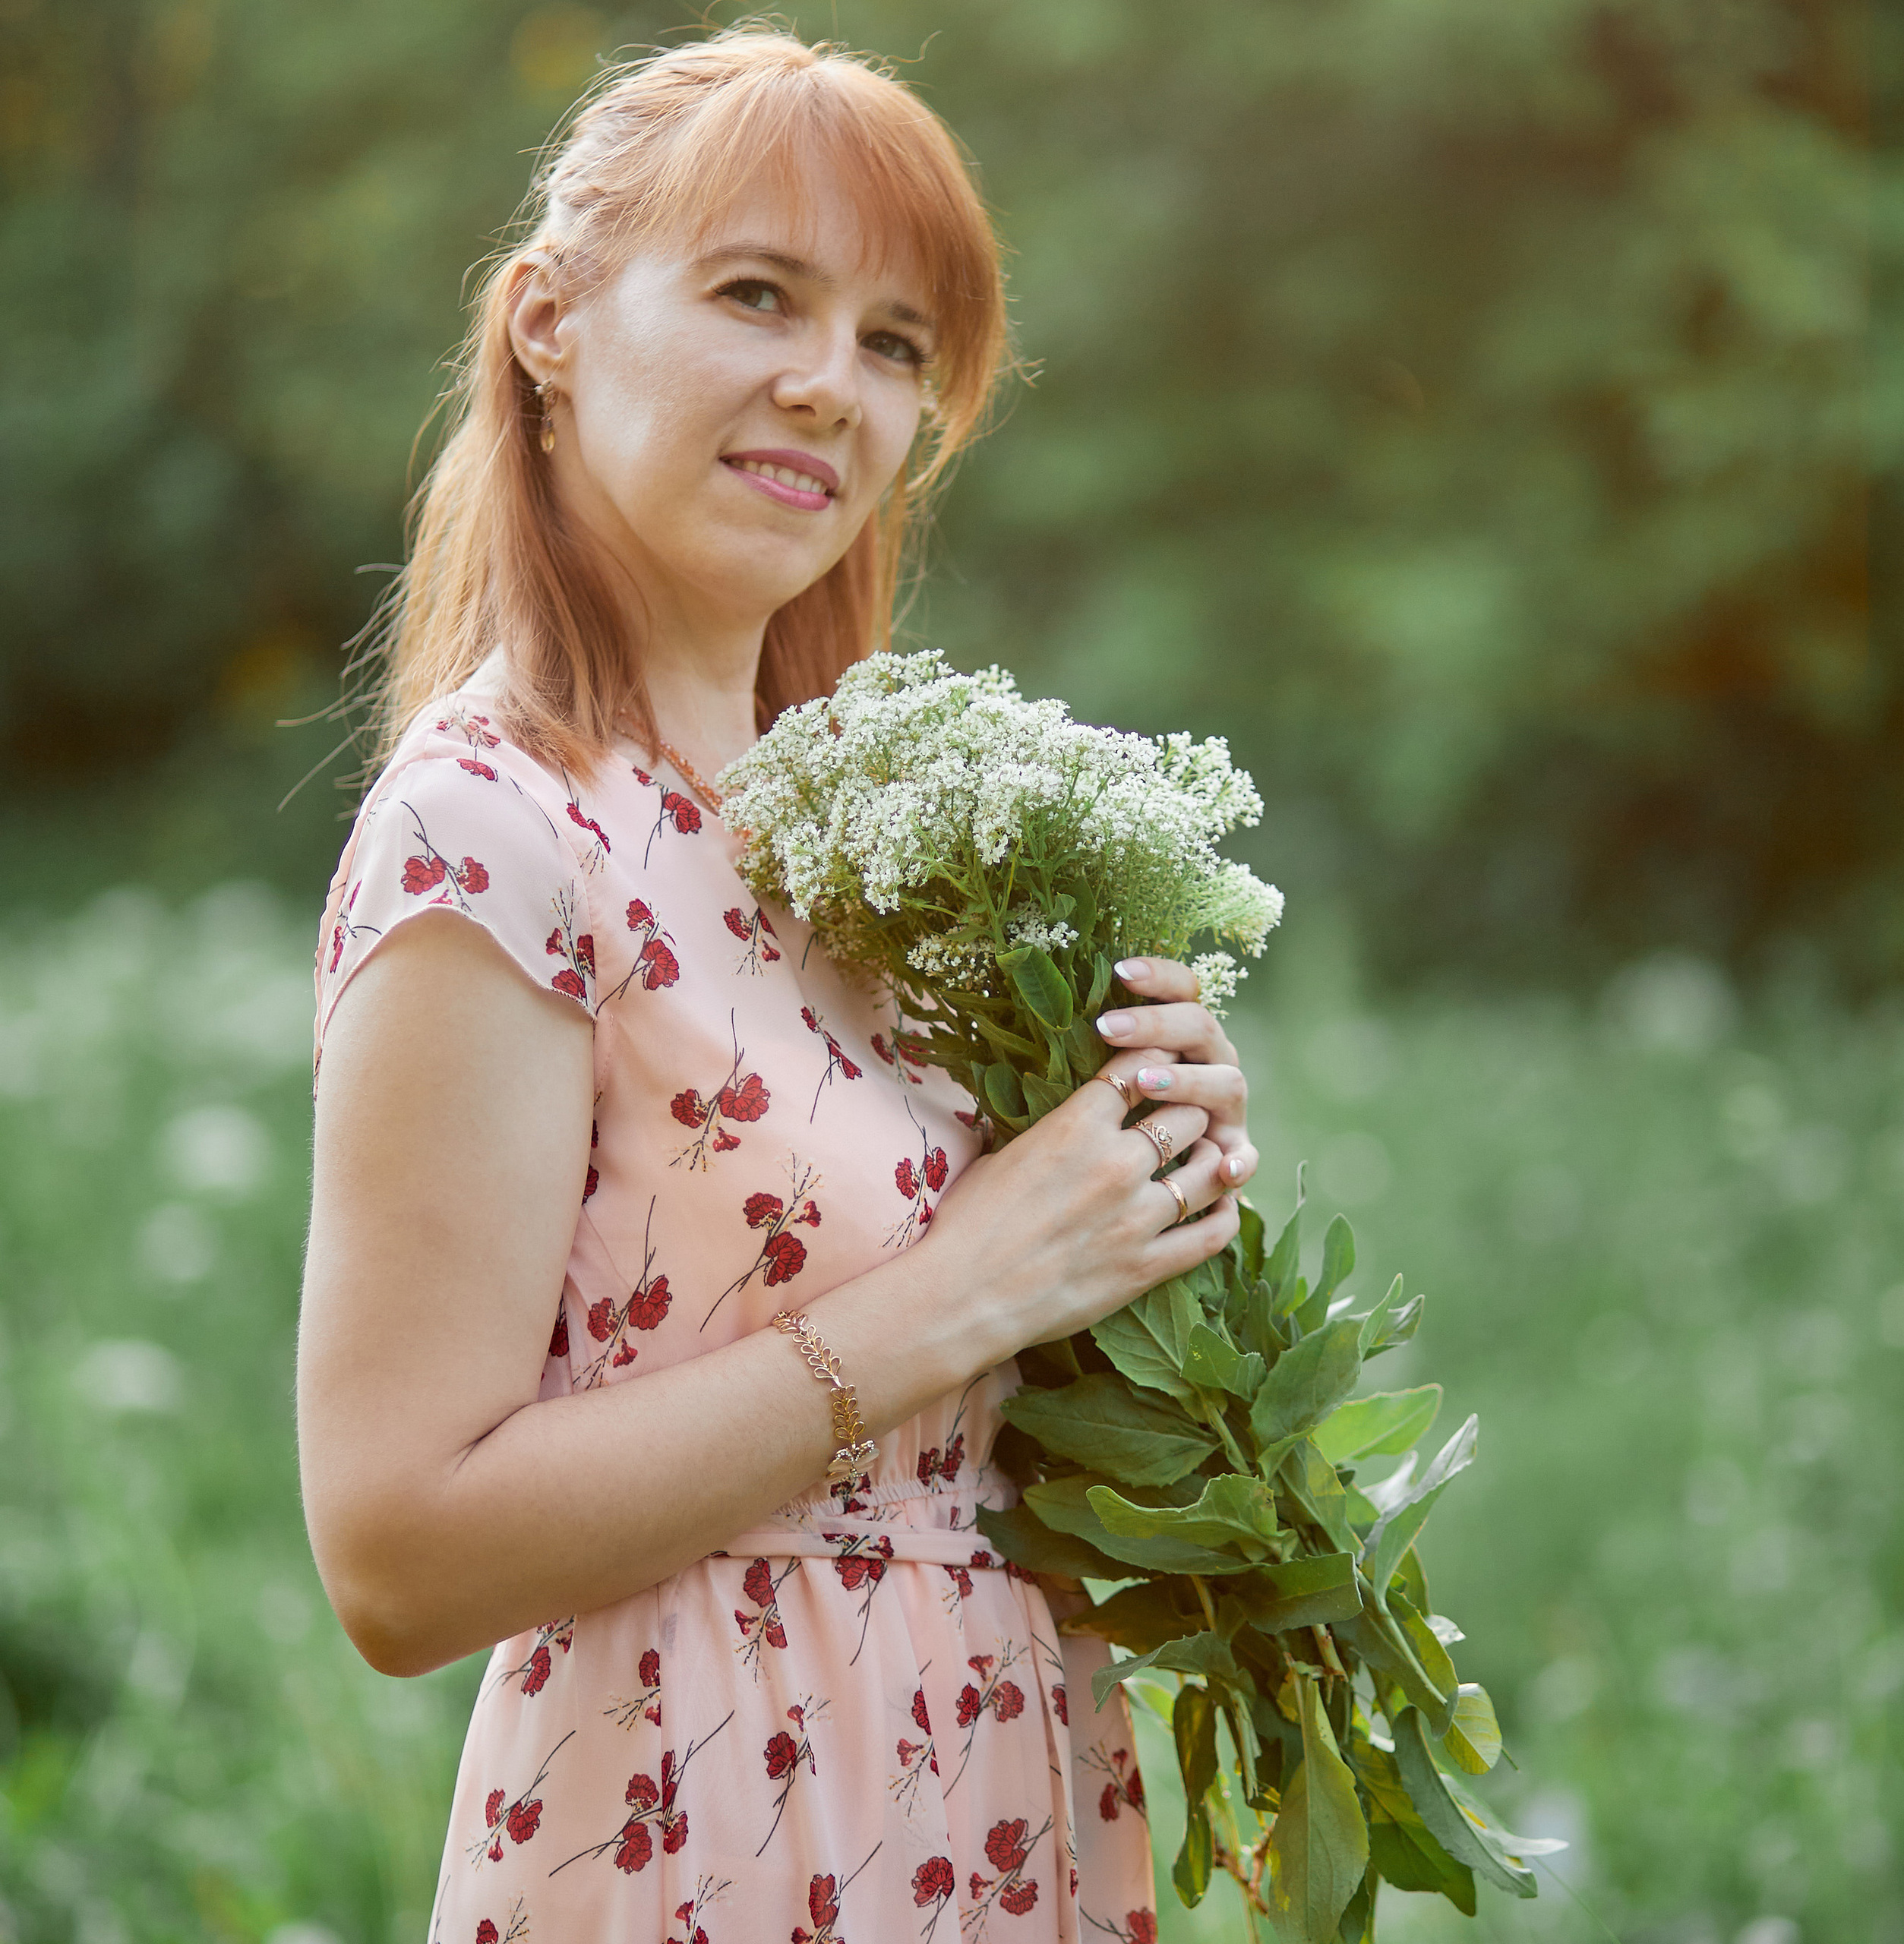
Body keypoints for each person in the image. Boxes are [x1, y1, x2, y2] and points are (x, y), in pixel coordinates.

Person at [298, 27, 1258, 1942]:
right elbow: (394, 1551)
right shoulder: (492, 832)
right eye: (758, 295)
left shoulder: (890, 847)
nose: (831, 386)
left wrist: (1147, 1189)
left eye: (897, 345)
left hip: (991, 1803)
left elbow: (990, 1367)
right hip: (703, 1823)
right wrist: (955, 1289)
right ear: (551, 323)